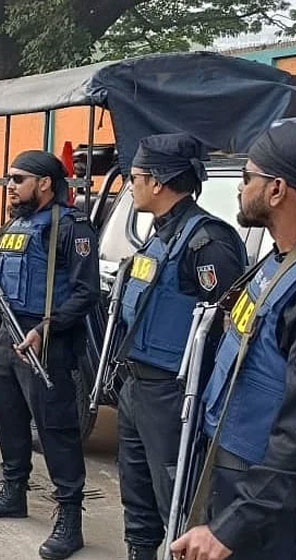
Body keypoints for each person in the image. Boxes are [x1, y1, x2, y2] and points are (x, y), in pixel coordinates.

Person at [115, 134, 247, 560]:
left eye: (134, 177)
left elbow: (229, 327)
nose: (130, 185)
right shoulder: (159, 236)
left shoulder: (206, 241)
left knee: (176, 500)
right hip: (137, 386)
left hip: (174, 395)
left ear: (157, 182)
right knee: (136, 497)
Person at [0, 151, 99, 560]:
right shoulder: (15, 224)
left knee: (55, 429)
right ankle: (13, 490)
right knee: (7, 414)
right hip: (7, 331)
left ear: (44, 183)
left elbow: (86, 291)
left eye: (17, 179)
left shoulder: (70, 226)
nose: (10, 187)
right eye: (9, 179)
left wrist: (47, 329)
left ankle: (70, 516)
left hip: (46, 338)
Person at [172, 121, 296, 560]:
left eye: (247, 178)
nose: (241, 190)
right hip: (236, 467)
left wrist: (232, 526)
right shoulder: (276, 260)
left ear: (277, 189)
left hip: (266, 495)